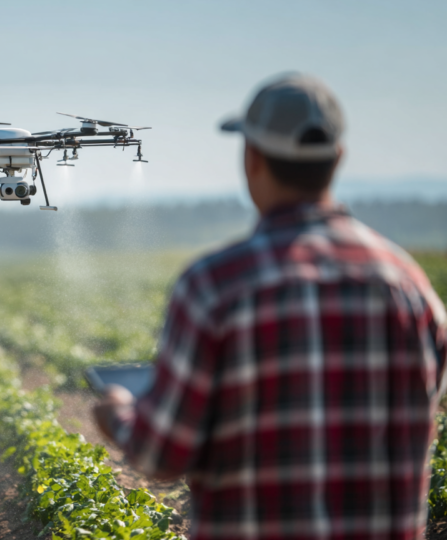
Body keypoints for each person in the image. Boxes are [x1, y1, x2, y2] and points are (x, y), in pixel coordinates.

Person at [94, 73, 447, 540]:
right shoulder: (412, 289)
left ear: (251, 157)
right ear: (338, 158)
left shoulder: (215, 287)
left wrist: (119, 412)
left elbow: (161, 455)